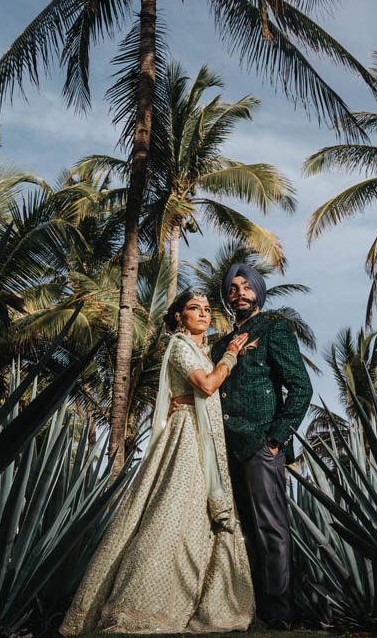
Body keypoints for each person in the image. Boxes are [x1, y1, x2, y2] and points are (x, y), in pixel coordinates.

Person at [60, 290, 255, 635]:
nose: (203, 314)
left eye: (207, 309)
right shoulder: (179, 346)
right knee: (170, 512)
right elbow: (207, 386)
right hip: (187, 438)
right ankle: (141, 605)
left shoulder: (200, 351)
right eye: (194, 308)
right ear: (179, 316)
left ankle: (200, 599)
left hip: (206, 439)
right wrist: (231, 355)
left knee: (197, 517)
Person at [209, 263, 313, 629]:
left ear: (258, 291)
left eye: (246, 286)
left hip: (260, 445)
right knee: (243, 532)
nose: (239, 292)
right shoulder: (219, 345)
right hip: (227, 447)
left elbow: (300, 387)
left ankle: (279, 613)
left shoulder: (273, 328)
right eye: (232, 288)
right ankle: (250, 609)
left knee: (271, 529)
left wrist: (275, 439)